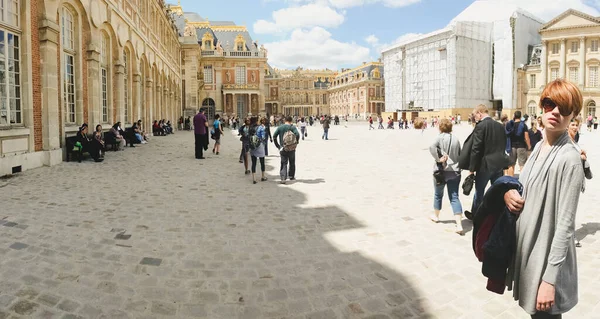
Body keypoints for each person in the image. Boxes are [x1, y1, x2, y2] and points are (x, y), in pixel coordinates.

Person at [504, 79, 585, 318]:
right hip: (530, 252)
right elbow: (525, 186)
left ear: (574, 116)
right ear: (542, 106)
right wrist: (509, 193)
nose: (556, 112)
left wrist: (549, 280)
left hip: (546, 261)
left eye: (565, 108)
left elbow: (566, 225)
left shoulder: (569, 158)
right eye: (550, 104)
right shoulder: (540, 146)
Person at [464, 104, 509, 220]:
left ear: (479, 113)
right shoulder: (500, 126)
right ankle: (497, 214)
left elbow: (476, 149)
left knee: (479, 191)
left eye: (475, 115)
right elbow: (503, 145)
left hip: (485, 166)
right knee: (497, 191)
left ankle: (476, 215)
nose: (475, 118)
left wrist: (471, 169)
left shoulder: (481, 126)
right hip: (498, 165)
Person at [429, 119, 464, 234]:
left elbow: (431, 147)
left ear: (440, 127)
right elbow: (460, 154)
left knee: (438, 194)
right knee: (454, 196)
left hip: (442, 171)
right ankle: (459, 224)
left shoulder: (439, 137)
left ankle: (436, 216)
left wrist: (439, 159)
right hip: (455, 171)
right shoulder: (455, 139)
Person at [273, 116, 300, 184]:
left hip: (283, 147)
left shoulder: (280, 127)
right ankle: (291, 176)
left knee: (283, 163)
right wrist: (296, 142)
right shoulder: (292, 127)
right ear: (291, 121)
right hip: (291, 148)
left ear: (285, 120)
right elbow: (297, 134)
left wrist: (278, 146)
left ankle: (283, 178)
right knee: (292, 162)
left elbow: (274, 136)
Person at [506, 111, 531, 176]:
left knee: (511, 164)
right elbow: (526, 137)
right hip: (521, 146)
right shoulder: (523, 125)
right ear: (520, 116)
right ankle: (522, 181)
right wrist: (529, 145)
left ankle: (510, 181)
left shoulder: (511, 125)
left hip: (512, 147)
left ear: (514, 116)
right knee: (522, 164)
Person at [249, 117, 268, 184]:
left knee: (253, 163)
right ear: (257, 121)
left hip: (252, 147)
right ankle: (263, 176)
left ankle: (254, 178)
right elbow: (263, 137)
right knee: (262, 162)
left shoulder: (250, 128)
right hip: (259, 146)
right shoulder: (260, 127)